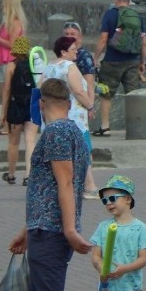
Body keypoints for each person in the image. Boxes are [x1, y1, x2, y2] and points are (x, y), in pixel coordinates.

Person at [8, 78, 92, 291]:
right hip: (43, 228)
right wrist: (27, 230)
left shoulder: (56, 133)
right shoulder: (71, 131)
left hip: (53, 231)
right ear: (69, 103)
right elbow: (46, 189)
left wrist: (70, 230)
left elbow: (65, 183)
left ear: (41, 104)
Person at [39, 36, 99, 197]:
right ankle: (89, 185)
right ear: (64, 52)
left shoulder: (49, 67)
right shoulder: (69, 67)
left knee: (61, 154)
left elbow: (41, 87)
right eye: (73, 49)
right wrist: (90, 106)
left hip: (52, 118)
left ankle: (71, 185)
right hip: (75, 117)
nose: (76, 52)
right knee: (83, 149)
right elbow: (78, 90)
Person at [93, 0, 146, 137]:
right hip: (132, 61)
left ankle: (105, 127)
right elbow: (144, 43)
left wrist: (95, 58)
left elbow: (103, 39)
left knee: (106, 94)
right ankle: (137, 128)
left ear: (116, 1)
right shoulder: (137, 16)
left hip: (112, 60)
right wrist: (142, 62)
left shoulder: (110, 15)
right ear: (128, 2)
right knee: (133, 94)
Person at [62, 21, 100, 194]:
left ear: (80, 37)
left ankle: (88, 182)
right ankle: (83, 183)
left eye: (73, 34)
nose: (70, 36)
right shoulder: (62, 58)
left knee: (83, 145)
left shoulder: (83, 56)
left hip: (78, 107)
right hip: (65, 108)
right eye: (67, 33)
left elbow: (89, 84)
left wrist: (90, 106)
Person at [0, 37, 38, 185]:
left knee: (14, 142)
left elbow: (7, 89)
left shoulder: (11, 65)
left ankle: (11, 174)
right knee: (30, 140)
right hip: (32, 104)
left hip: (16, 105)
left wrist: (3, 111)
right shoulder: (34, 64)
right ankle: (28, 175)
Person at [0, 0, 27, 127]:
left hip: (8, 59)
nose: (2, 9)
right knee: (3, 91)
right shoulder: (5, 23)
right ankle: (5, 121)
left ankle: (8, 121)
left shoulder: (16, 23)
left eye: (4, 6)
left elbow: (12, 44)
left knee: (7, 91)